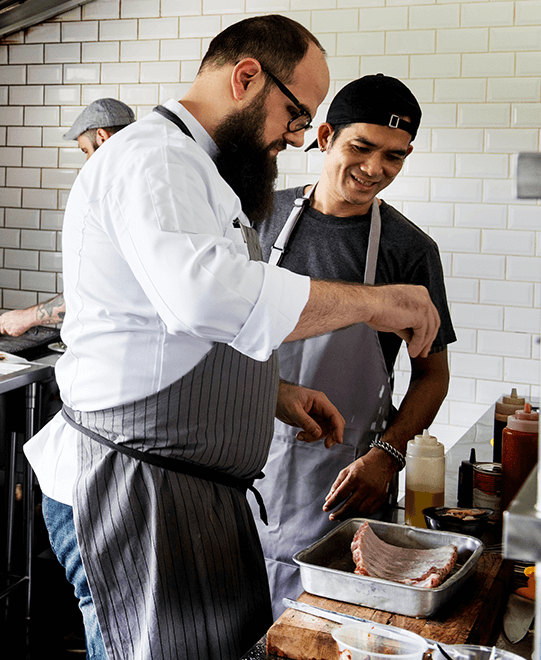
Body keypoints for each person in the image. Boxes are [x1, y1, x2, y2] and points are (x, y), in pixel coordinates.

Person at [24, 16, 440, 660]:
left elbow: (171, 330)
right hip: (133, 484)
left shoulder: (199, 171)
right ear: (247, 78)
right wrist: (377, 302)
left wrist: (271, 392)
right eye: (296, 115)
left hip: (183, 489)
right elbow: (207, 297)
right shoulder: (154, 158)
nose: (296, 137)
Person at [251, 74, 457, 619]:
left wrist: (385, 459)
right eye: (360, 148)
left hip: (341, 478)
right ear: (324, 138)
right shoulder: (256, 214)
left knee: (318, 627)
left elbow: (432, 375)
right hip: (241, 457)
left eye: (395, 157)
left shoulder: (409, 249)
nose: (375, 169)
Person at [0, 98, 135, 337]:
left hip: (115, 348)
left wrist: (26, 317)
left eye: (85, 151)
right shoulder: (141, 182)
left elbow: (94, 291)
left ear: (102, 137)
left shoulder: (112, 196)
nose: (87, 162)